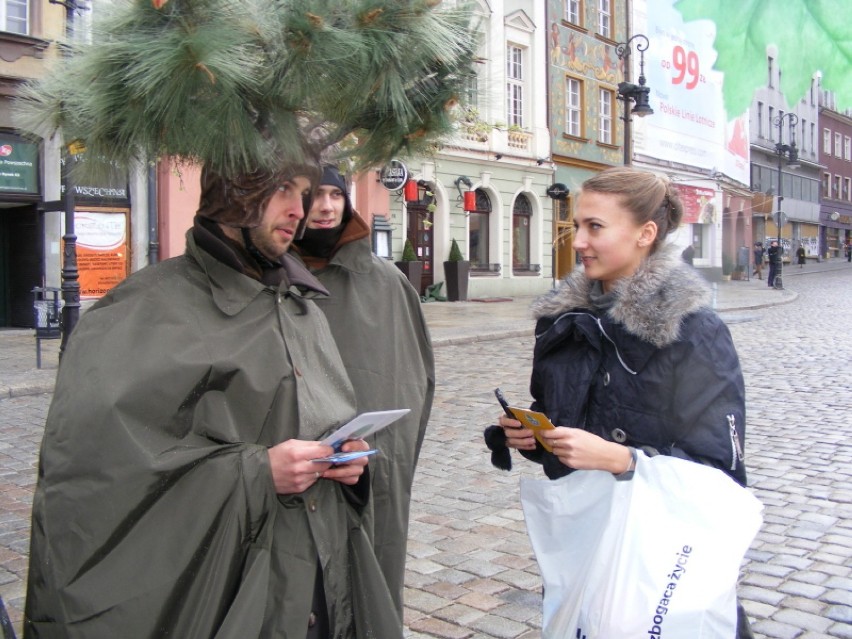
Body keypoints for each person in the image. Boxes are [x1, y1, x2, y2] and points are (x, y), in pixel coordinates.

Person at [24, 165, 402, 638]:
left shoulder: (300, 305)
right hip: (221, 601)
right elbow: (94, 480)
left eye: (303, 194)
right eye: (283, 188)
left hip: (315, 592)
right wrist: (258, 473)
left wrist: (346, 468)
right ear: (231, 193)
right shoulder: (142, 312)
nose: (298, 211)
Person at [486, 166, 752, 637]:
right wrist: (533, 437)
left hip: (660, 558)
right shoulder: (560, 322)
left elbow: (720, 472)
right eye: (577, 226)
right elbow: (560, 419)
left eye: (595, 227)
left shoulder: (693, 332)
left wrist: (623, 460)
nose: (579, 242)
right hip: (583, 542)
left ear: (645, 234)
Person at [292, 165, 435, 623]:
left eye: (336, 195)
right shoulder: (264, 277)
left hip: (369, 469)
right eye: (315, 195)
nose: (326, 207)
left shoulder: (385, 282)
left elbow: (415, 380)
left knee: (370, 582)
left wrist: (387, 459)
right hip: (291, 468)